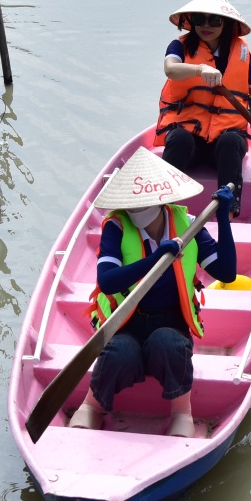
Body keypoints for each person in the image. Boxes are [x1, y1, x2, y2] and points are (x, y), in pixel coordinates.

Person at [70, 148, 237, 438]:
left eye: (142, 203)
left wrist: (222, 217)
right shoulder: (116, 226)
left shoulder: (189, 225)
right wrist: (154, 259)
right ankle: (92, 406)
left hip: (170, 322)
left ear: (162, 200)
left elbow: (226, 272)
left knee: (169, 343)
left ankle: (181, 413)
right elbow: (107, 282)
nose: (136, 210)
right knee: (118, 351)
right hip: (126, 322)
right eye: (131, 204)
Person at [156, 0, 251, 205]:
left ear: (225, 23)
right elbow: (170, 69)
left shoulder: (241, 52)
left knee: (231, 140)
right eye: (200, 20)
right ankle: (163, 207)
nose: (206, 26)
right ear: (192, 21)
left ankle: (228, 209)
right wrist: (200, 69)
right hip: (190, 141)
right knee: (178, 138)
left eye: (214, 21)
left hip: (224, 143)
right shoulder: (179, 46)